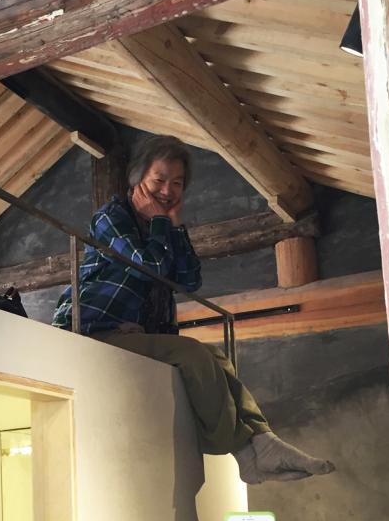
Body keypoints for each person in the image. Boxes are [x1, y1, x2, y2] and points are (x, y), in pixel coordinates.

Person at [52, 135, 335, 485]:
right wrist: (161, 222)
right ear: (138, 180)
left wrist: (172, 226)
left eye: (177, 183)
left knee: (218, 358)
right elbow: (149, 267)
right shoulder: (112, 217)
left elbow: (189, 280)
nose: (167, 191)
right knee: (192, 354)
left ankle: (263, 440)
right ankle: (240, 449)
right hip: (95, 329)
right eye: (159, 180)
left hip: (135, 333)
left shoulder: (162, 226)